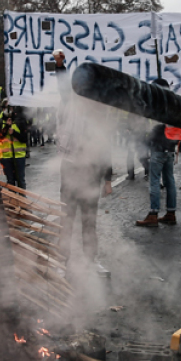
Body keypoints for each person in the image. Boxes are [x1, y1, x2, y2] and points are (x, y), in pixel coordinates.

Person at [52, 51, 111, 273]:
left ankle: (90, 260)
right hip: (70, 168)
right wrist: (60, 66)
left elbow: (105, 145)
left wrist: (106, 179)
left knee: (89, 219)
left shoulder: (99, 110)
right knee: (66, 218)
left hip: (92, 170)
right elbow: (63, 87)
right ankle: (62, 261)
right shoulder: (69, 102)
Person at [137, 82, 180, 226]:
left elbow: (154, 125)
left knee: (154, 181)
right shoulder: (175, 103)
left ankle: (153, 214)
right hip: (170, 148)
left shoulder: (159, 105)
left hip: (159, 147)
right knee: (170, 181)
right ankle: (171, 213)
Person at [0, 107, 28, 189]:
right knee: (10, 181)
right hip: (6, 157)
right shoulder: (0, 122)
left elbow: (24, 139)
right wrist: (6, 127)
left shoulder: (20, 121)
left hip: (19, 156)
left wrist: (14, 133)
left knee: (20, 180)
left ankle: (22, 199)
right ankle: (13, 200)